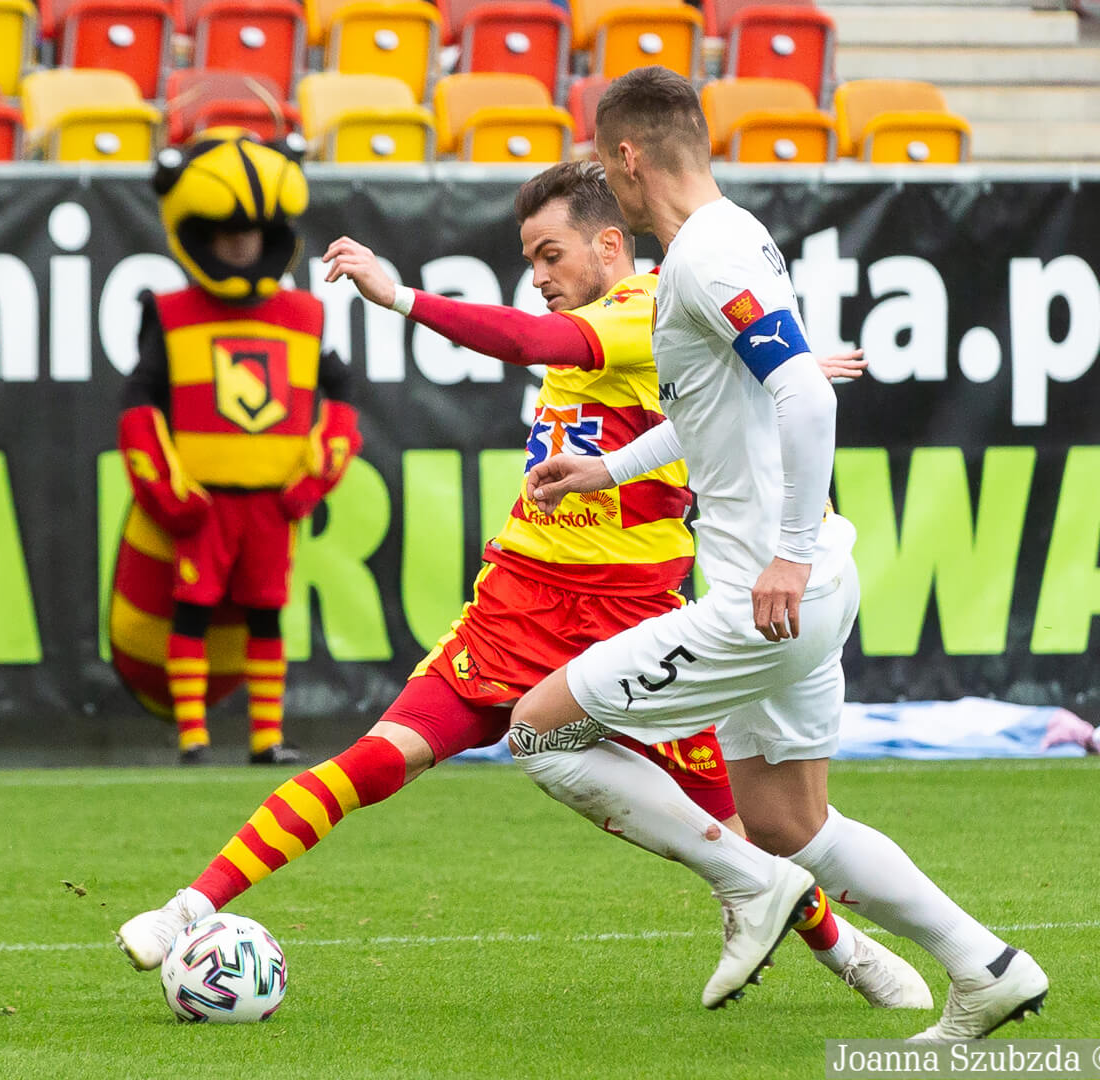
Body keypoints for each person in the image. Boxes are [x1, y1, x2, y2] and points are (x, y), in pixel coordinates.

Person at [114, 161, 931, 1010]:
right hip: (515, 606)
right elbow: (716, 379)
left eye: (551, 255)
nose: (538, 278)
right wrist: (783, 368)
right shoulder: (652, 321)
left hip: (630, 623)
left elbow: (532, 343)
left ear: (609, 245)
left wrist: (399, 296)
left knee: (741, 827)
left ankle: (853, 954)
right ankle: (186, 910)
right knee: (374, 760)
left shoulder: (646, 307)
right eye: (530, 260)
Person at [507, 67, 1047, 1039]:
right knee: (790, 820)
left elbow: (805, 393)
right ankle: (987, 966)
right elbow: (725, 407)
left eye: (605, 161)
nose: (606, 181)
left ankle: (748, 885)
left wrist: (787, 555)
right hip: (801, 585)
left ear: (628, 157)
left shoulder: (707, 256)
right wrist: (610, 469)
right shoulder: (726, 240)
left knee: (539, 732)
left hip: (769, 593)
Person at [109, 130, 363, 765]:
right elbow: (139, 401)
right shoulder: (168, 312)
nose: (240, 244)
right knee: (191, 611)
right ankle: (192, 735)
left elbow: (343, 392)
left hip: (271, 504)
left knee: (267, 614)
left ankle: (266, 737)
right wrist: (164, 486)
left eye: (250, 232)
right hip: (203, 502)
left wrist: (318, 473)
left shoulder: (304, 314)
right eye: (226, 233)